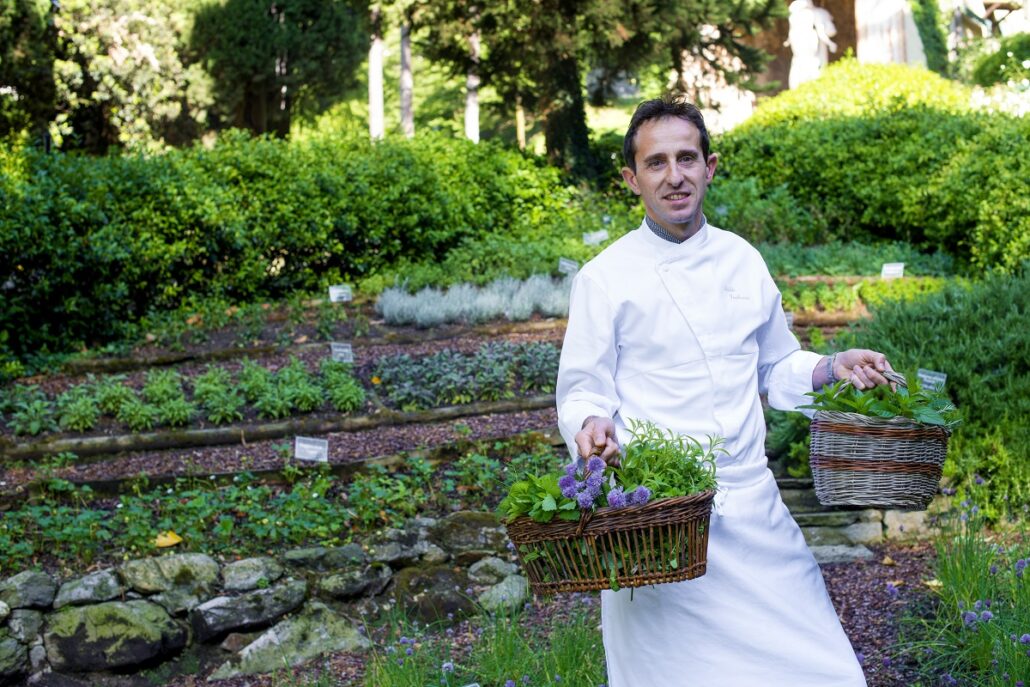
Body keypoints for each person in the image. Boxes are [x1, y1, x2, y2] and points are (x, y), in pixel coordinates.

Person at [555, 96, 894, 686]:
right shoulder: (604, 278)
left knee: (823, 671)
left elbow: (777, 364)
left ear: (710, 167)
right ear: (631, 179)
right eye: (656, 163)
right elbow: (584, 387)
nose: (675, 175)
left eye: (687, 158)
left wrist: (833, 365)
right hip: (660, 522)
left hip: (753, 509)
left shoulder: (743, 259)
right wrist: (590, 425)